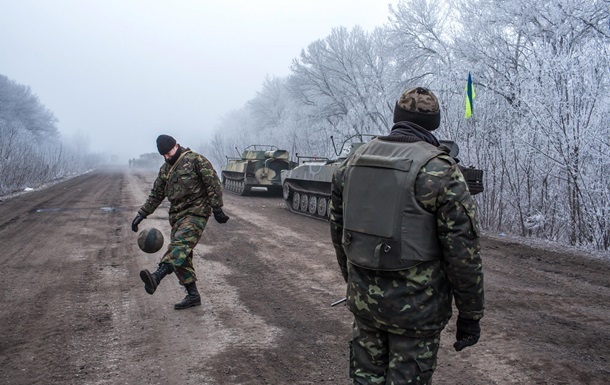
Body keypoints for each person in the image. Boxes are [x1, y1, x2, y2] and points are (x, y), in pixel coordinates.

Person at [329, 87, 484, 384]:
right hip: (416, 311)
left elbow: (338, 230)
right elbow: (463, 251)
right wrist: (470, 313)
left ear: (396, 118)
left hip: (365, 304)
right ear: (434, 123)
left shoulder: (352, 162)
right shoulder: (440, 170)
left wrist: (355, 281)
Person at [131, 134, 230, 310]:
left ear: (176, 146)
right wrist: (141, 214)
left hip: (197, 213)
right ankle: (193, 295)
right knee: (182, 256)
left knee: (180, 245)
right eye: (164, 155)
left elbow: (212, 183)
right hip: (177, 216)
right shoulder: (165, 170)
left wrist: (217, 208)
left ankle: (156, 276)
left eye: (169, 153)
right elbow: (156, 194)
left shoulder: (196, 160)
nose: (167, 157)